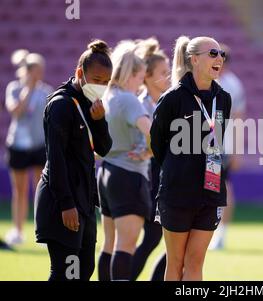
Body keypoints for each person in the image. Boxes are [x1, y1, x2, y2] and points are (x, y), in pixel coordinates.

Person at [150, 36, 231, 281]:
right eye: (213, 53)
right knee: (175, 263)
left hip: (211, 189)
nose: (219, 58)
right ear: (194, 59)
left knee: (195, 262)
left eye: (221, 54)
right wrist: (179, 168)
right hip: (178, 191)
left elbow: (216, 140)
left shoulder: (224, 98)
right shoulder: (173, 98)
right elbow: (157, 143)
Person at [34, 40, 113, 281]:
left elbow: (104, 148)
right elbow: (55, 158)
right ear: (80, 73)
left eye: (105, 82)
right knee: (65, 273)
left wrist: (100, 121)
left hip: (84, 201)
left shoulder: (91, 103)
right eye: (96, 80)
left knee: (84, 269)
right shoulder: (61, 105)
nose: (100, 86)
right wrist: (66, 204)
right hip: (62, 201)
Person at [97, 41, 152, 281]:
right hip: (128, 174)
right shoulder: (129, 100)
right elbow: (154, 132)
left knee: (108, 245)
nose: (141, 83)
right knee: (125, 246)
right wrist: (148, 152)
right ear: (130, 75)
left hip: (107, 172)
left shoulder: (107, 96)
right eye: (140, 77)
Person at [130, 37, 171, 281]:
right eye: (163, 72)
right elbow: (139, 146)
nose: (169, 77)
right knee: (150, 239)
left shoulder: (167, 102)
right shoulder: (139, 105)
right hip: (144, 178)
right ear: (147, 76)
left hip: (160, 176)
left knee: (157, 239)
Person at [5, 49, 52, 245]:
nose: (40, 74)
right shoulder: (14, 88)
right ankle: (17, 230)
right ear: (28, 70)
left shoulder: (46, 91)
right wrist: (29, 89)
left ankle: (42, 229)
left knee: (41, 188)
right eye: (36, 70)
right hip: (17, 144)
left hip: (39, 145)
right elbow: (16, 112)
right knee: (20, 190)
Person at [209, 43, 247, 250]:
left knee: (221, 187)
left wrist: (237, 151)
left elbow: (239, 118)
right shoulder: (209, 81)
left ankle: (220, 233)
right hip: (205, 144)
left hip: (221, 146)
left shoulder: (231, 85)